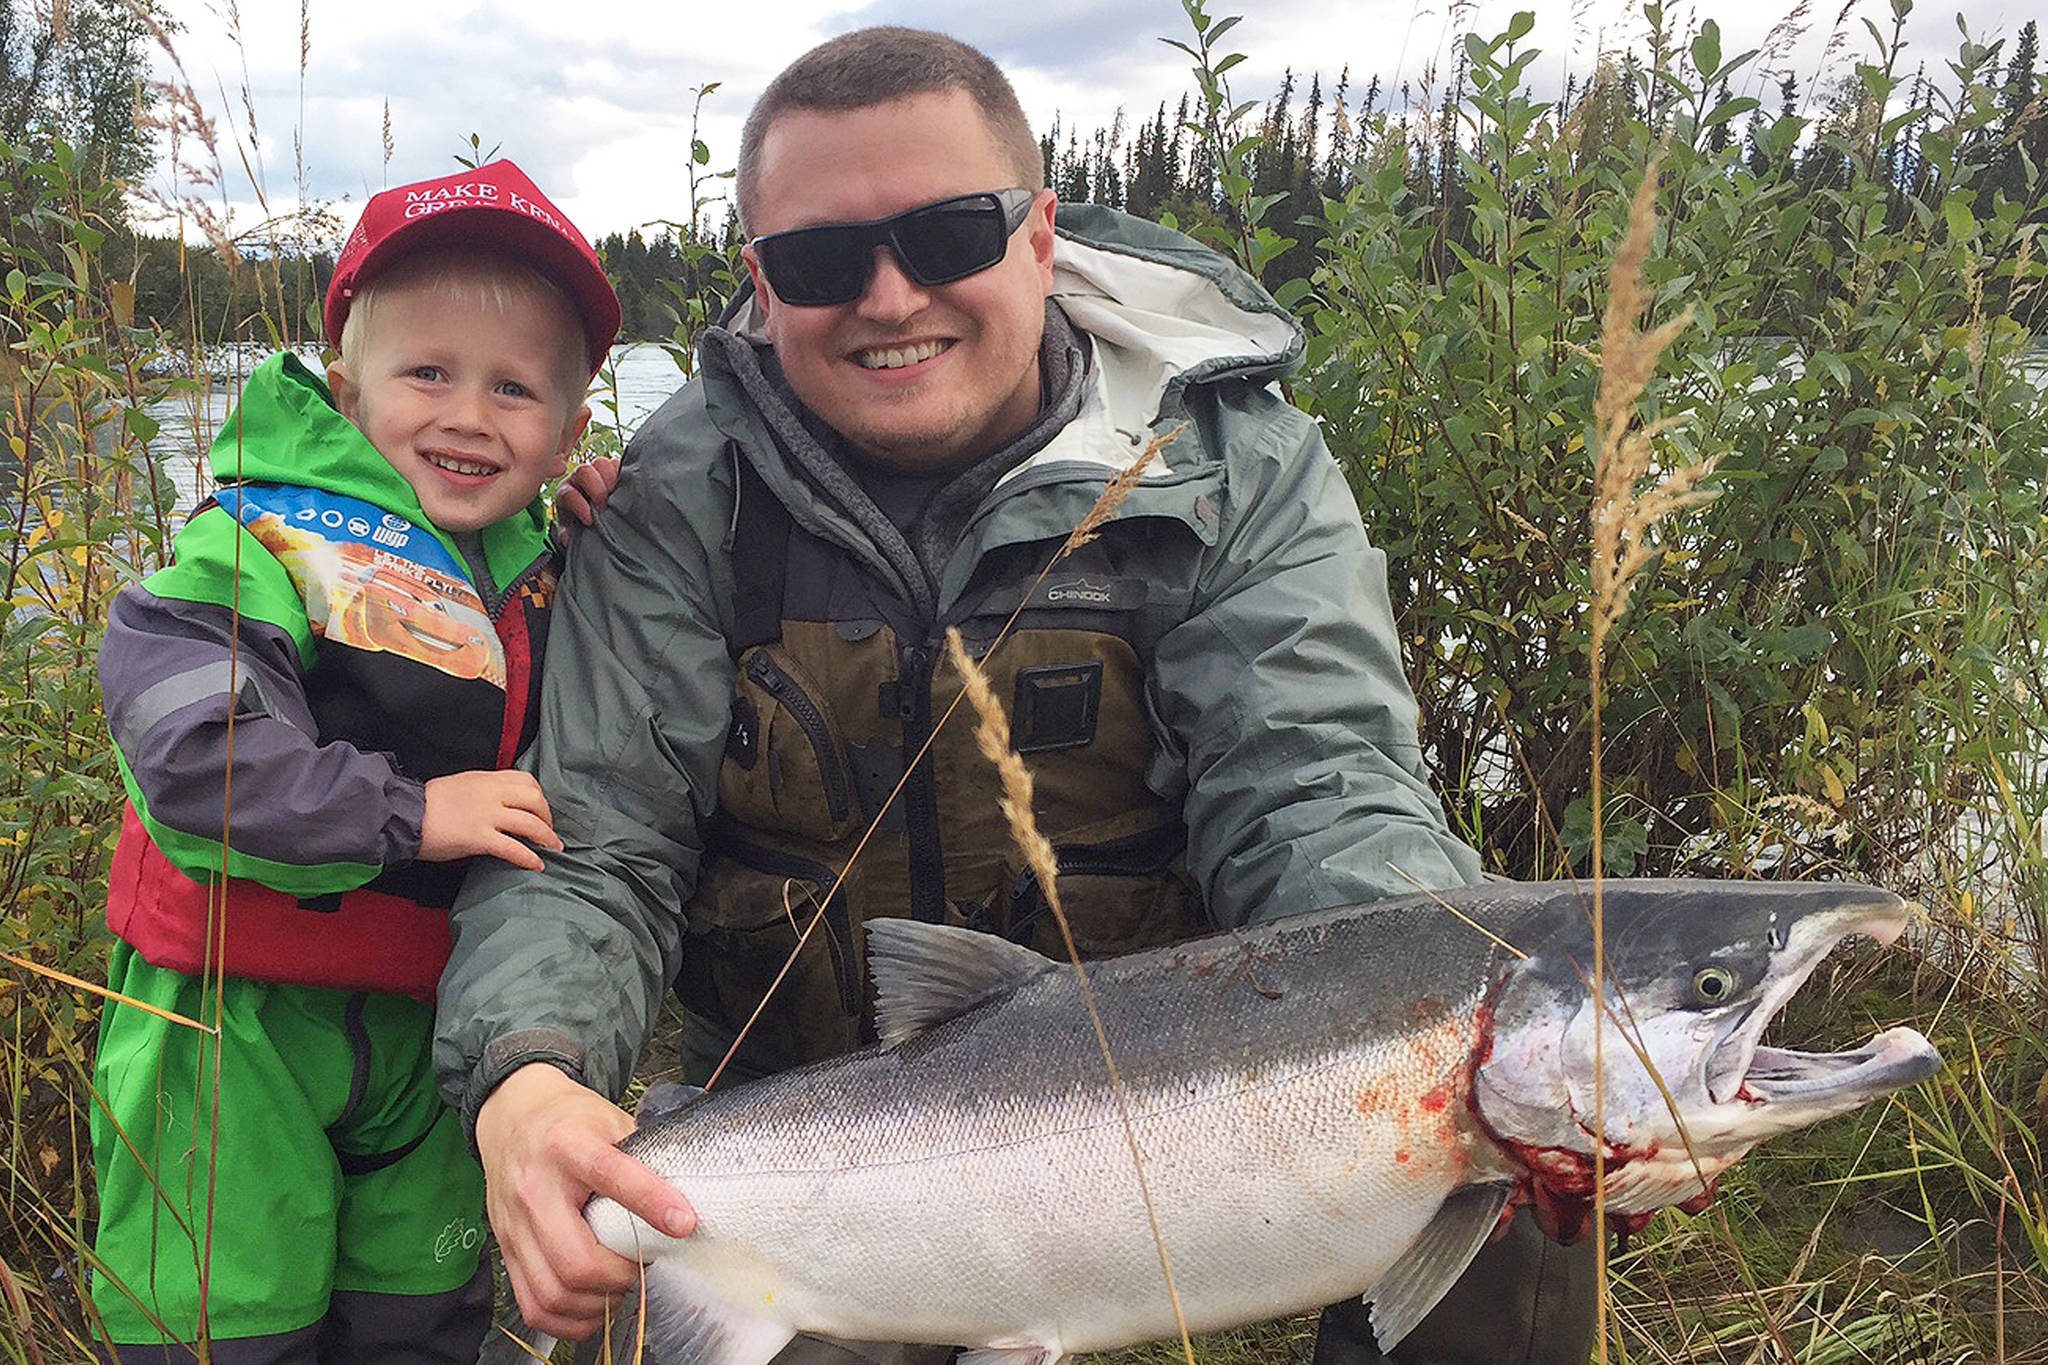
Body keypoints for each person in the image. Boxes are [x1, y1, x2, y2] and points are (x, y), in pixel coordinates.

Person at [436, 27, 1596, 1365]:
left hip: (1178, 1123)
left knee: (1522, 1200)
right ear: (761, 282)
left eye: (947, 235)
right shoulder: (675, 499)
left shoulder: (1228, 468)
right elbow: (595, 847)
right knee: (598, 1301)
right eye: (821, 261)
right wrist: (527, 1075)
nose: (887, 298)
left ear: (1041, 236)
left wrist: (1470, 1019)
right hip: (801, 1131)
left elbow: (1318, 799)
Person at [90, 159, 620, 1363]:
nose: (469, 414)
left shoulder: (552, 564)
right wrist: (409, 814)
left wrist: (621, 525)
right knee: (223, 1331)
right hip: (236, 1028)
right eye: (426, 371)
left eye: (515, 389)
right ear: (344, 388)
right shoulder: (255, 544)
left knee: (417, 1328)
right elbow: (190, 756)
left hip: (428, 1039)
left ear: (568, 431)